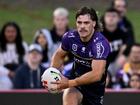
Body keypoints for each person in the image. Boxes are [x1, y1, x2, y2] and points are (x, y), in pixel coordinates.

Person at [43, 7, 110, 105]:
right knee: (70, 95)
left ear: (94, 24)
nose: (82, 26)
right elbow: (59, 55)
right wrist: (51, 73)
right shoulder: (70, 37)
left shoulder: (100, 44)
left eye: (86, 23)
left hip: (94, 89)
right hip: (75, 84)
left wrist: (69, 83)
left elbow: (96, 74)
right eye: (79, 22)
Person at [0, 22, 28, 90]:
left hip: (19, 72)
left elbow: (27, 62)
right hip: (3, 74)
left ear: (17, 33)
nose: (10, 34)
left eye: (13, 32)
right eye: (8, 32)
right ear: (4, 33)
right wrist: (8, 73)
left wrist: (18, 73)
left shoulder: (23, 45)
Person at [101, 8, 128, 76]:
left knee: (124, 57)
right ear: (104, 18)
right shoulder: (98, 33)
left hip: (117, 62)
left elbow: (127, 48)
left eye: (113, 16)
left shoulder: (123, 33)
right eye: (108, 16)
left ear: (118, 19)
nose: (111, 18)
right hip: (101, 63)